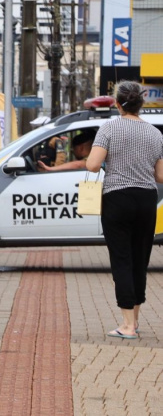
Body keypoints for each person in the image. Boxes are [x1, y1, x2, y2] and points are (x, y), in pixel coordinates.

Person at [85, 81, 163, 340]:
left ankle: (127, 326)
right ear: (141, 103)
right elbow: (161, 175)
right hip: (146, 199)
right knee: (140, 259)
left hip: (117, 197)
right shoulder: (155, 133)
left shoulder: (109, 127)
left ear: (117, 104)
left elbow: (93, 165)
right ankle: (135, 320)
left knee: (122, 259)